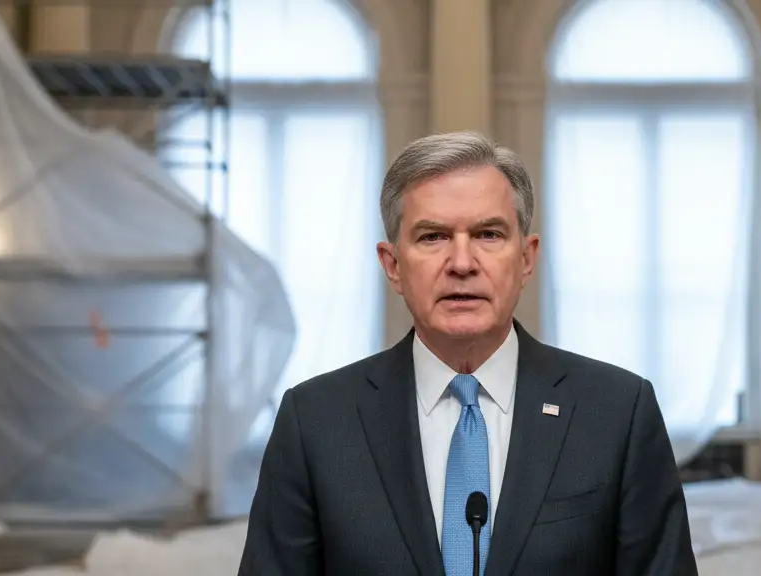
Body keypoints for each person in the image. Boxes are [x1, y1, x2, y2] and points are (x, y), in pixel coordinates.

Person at [237, 131, 698, 575]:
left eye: (489, 234)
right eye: (433, 237)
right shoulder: (315, 421)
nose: (461, 263)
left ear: (526, 259)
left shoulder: (618, 412)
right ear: (393, 266)